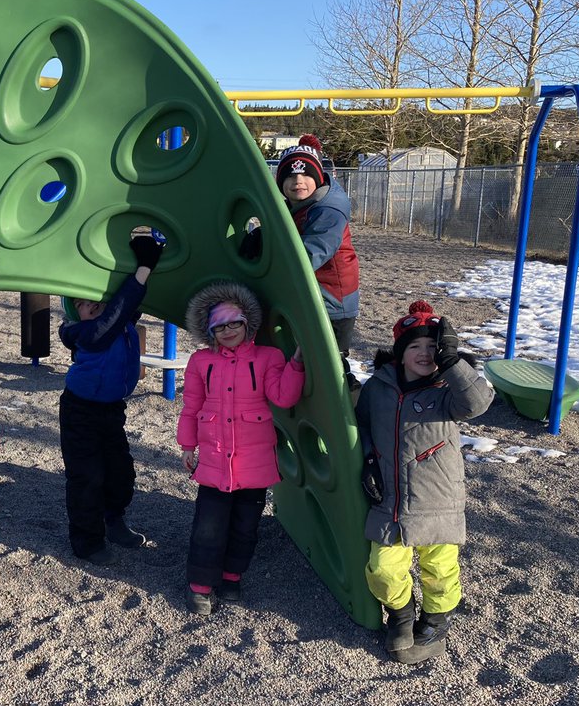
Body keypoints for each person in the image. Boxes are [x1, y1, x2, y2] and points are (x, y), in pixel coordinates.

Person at [356, 300, 493, 664]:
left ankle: (435, 624)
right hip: (391, 500)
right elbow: (362, 423)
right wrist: (369, 456)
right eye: (414, 346)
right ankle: (401, 615)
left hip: (437, 499)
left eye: (433, 348)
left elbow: (479, 402)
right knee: (383, 568)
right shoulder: (379, 388)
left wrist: (453, 364)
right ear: (400, 354)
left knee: (439, 570)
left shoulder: (447, 392)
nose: (424, 353)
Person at [176, 281, 306, 615]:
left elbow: (282, 396)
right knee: (208, 526)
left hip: (255, 461)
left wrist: (297, 365)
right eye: (220, 326)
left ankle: (232, 577)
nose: (228, 331)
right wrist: (187, 445)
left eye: (234, 323)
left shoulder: (267, 357)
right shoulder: (201, 362)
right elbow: (191, 406)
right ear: (210, 330)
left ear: (247, 324)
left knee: (246, 525)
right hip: (215, 461)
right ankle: (201, 585)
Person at [57, 232, 164, 566]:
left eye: (94, 301)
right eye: (82, 305)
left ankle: (113, 519)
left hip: (112, 409)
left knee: (120, 472)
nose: (89, 307)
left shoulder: (115, 323)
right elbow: (115, 315)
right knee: (87, 476)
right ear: (74, 312)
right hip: (80, 411)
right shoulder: (85, 332)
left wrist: (150, 262)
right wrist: (144, 267)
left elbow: (126, 307)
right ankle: (87, 542)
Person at [275, 134, 361, 397]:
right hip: (315, 293)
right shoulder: (302, 204)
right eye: (290, 177)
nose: (298, 181)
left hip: (333, 300)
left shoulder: (328, 210)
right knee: (307, 352)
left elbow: (313, 252)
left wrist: (272, 267)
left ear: (318, 178)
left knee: (330, 358)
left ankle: (348, 397)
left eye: (305, 176)